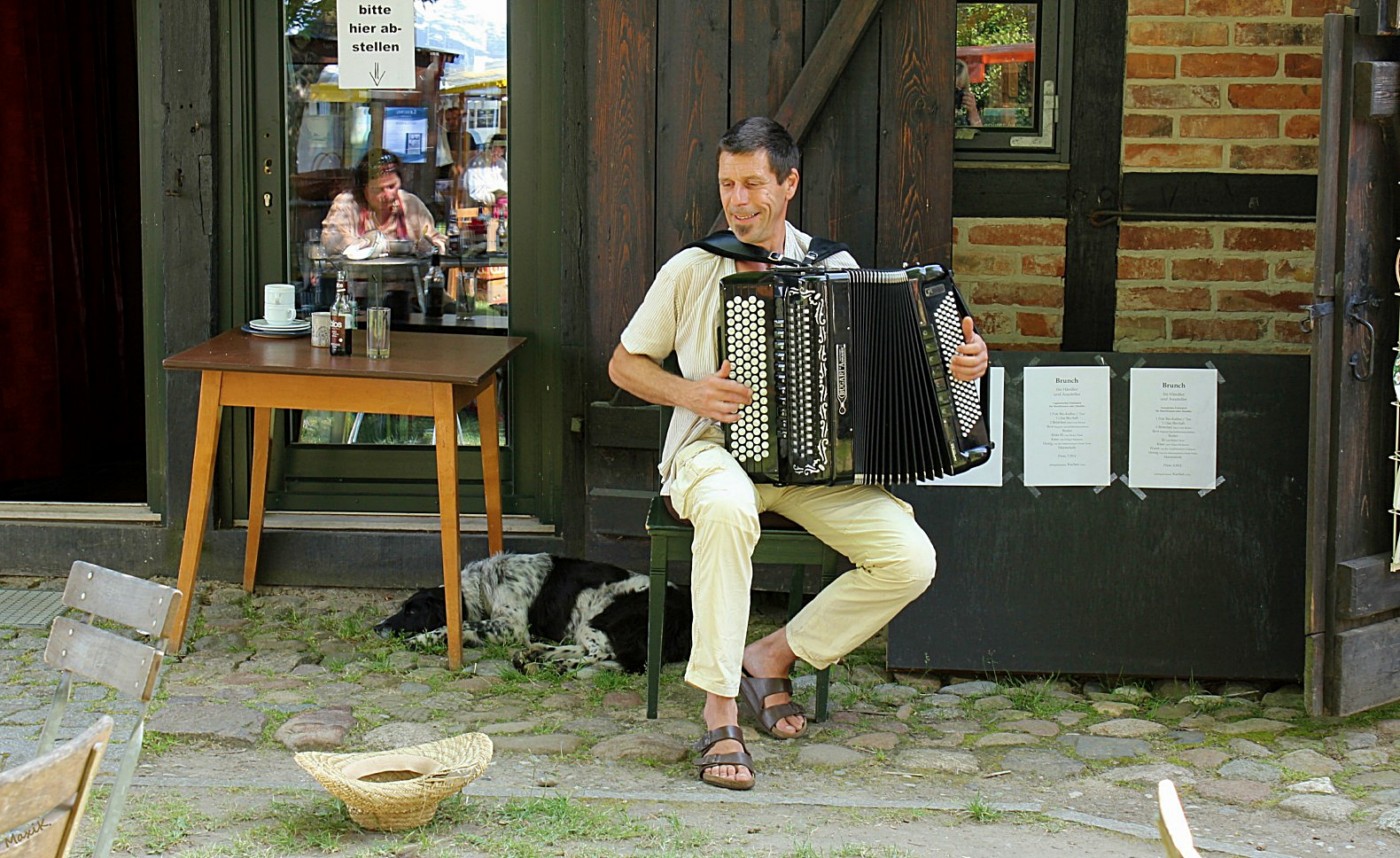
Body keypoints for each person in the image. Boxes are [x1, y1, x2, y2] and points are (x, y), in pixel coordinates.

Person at [608, 117, 989, 791]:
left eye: (753, 183)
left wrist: (963, 366)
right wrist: (692, 391)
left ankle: (771, 657)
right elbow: (624, 364)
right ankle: (720, 708)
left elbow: (890, 376)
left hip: (815, 472)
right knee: (726, 508)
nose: (738, 200)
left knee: (910, 558)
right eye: (727, 184)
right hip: (713, 455)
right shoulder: (695, 268)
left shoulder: (835, 268)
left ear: (788, 184)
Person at [320, 149, 447, 258]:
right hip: (359, 282)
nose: (387, 195)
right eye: (378, 190)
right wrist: (371, 244)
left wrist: (429, 246)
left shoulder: (411, 205)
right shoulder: (347, 204)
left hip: (404, 282)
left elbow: (435, 239)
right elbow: (331, 240)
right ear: (363, 189)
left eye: (392, 186)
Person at [465, 133, 509, 214]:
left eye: (500, 152)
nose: (497, 154)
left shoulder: (502, 163)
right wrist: (493, 198)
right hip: (479, 209)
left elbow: (506, 185)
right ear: (489, 148)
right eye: (494, 150)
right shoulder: (477, 164)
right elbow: (475, 192)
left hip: (501, 207)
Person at [955, 59, 983, 127]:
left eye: (959, 92)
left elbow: (979, 134)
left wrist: (973, 113)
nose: (956, 96)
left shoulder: (962, 115)